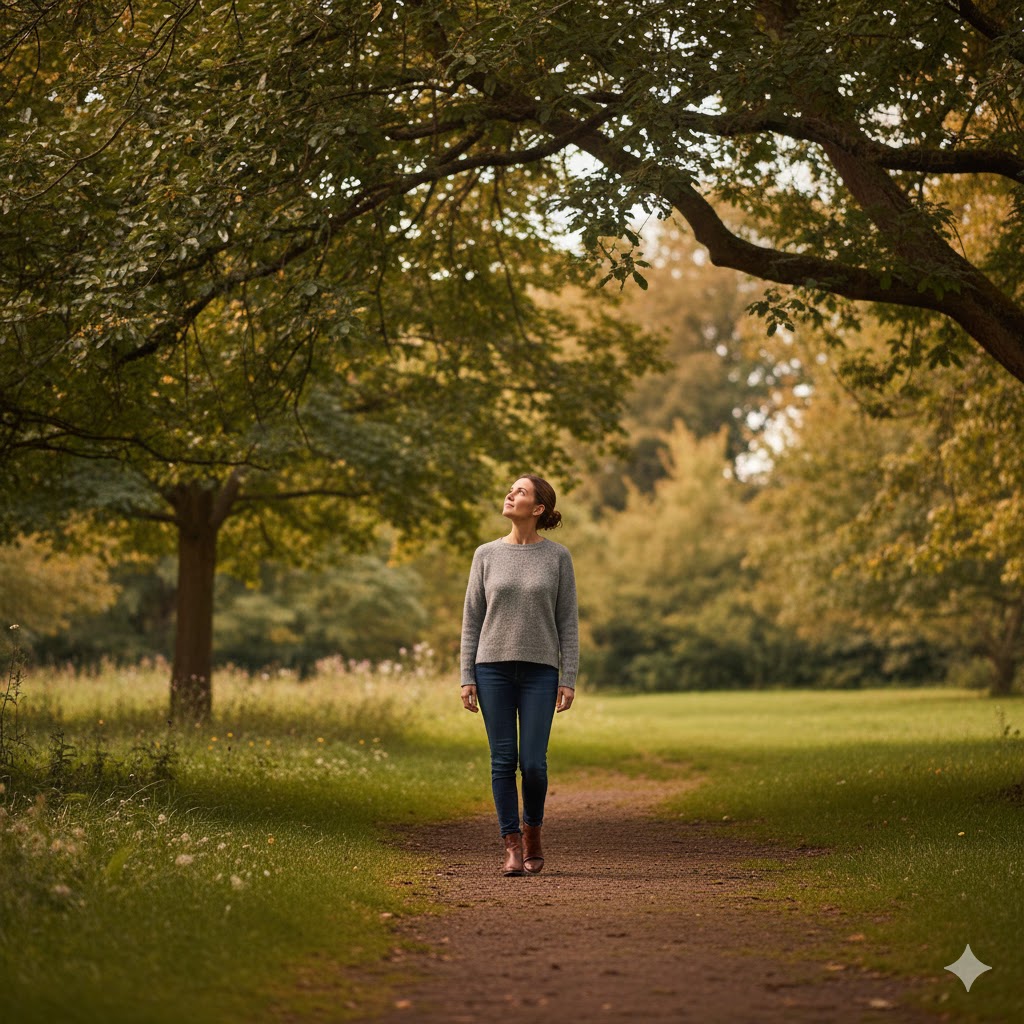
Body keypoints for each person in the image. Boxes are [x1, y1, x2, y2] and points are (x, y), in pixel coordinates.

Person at [459, 474, 578, 877]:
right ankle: (510, 845)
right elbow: (472, 619)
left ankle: (533, 833)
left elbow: (568, 623)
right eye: (510, 490)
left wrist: (569, 676)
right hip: (490, 669)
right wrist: (466, 675)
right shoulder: (486, 554)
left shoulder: (558, 557)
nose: (510, 495)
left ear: (538, 508)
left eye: (520, 491)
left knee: (534, 763)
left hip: (540, 671)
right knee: (502, 760)